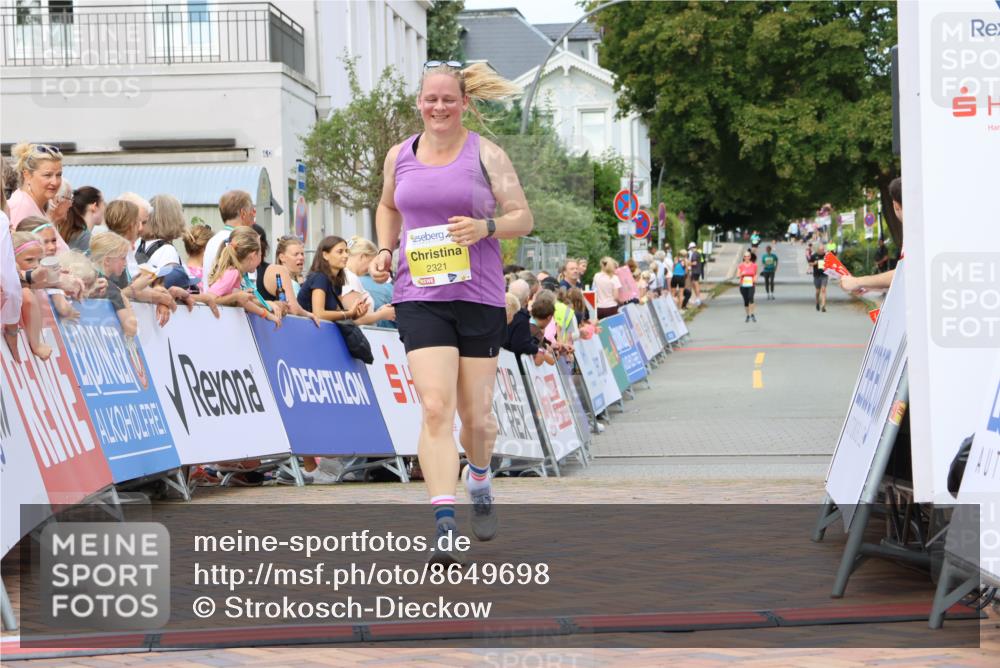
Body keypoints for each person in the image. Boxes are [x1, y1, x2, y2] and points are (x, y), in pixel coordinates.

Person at [368, 60, 532, 563]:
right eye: (430, 99)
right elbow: (389, 205)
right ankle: (444, 520)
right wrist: (384, 249)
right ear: (419, 102)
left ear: (464, 103)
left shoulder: (488, 154)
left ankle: (479, 480)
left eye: (448, 99)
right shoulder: (400, 155)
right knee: (435, 407)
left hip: (479, 296)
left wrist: (485, 228)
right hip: (420, 296)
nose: (439, 107)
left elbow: (523, 218)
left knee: (476, 418)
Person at [207, 226, 282, 328]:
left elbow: (244, 302)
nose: (262, 257)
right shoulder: (233, 273)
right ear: (253, 255)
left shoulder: (238, 274)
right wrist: (236, 297)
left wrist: (266, 314)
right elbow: (210, 298)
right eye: (261, 253)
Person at [841, 178, 903, 293]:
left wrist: (858, 282)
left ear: (895, 205)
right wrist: (872, 286)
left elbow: (903, 274)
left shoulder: (916, 236)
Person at [257, 233, 320, 326]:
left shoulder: (294, 280)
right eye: (296, 254)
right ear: (282, 257)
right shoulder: (280, 273)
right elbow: (293, 309)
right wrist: (310, 314)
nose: (301, 257)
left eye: (302, 254)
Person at [201, 190, 256, 293]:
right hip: (234, 306)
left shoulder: (212, 240)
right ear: (243, 213)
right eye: (252, 211)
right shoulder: (241, 241)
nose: (254, 216)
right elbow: (247, 285)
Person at [88, 232, 139, 337]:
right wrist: (124, 298)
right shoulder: (109, 287)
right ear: (107, 260)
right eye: (123, 258)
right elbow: (131, 329)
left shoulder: (86, 278)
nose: (126, 263)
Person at [343, 236, 396, 326]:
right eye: (372, 262)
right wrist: (383, 314)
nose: (371, 269)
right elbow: (358, 319)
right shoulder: (349, 277)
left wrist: (379, 311)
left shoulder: (343, 275)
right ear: (363, 256)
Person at [58, 186, 104, 253]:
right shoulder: (85, 237)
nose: (104, 207)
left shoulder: (70, 232)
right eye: (102, 202)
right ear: (94, 206)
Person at [737, 250, 758, 323]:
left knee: (751, 298)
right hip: (743, 285)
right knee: (746, 301)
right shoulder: (741, 265)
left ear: (750, 257)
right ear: (743, 257)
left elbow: (755, 274)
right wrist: (741, 274)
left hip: (751, 285)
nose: (747, 257)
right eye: (745, 256)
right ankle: (748, 315)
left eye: (748, 256)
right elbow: (737, 275)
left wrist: (755, 279)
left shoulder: (754, 265)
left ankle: (752, 314)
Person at [808, 244, 829, 312]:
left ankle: (823, 305)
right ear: (818, 250)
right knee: (817, 291)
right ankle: (817, 302)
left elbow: (831, 264)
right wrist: (815, 263)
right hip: (816, 275)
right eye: (821, 250)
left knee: (823, 289)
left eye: (823, 250)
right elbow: (810, 264)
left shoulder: (826, 255)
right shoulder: (814, 256)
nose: (822, 251)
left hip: (824, 275)